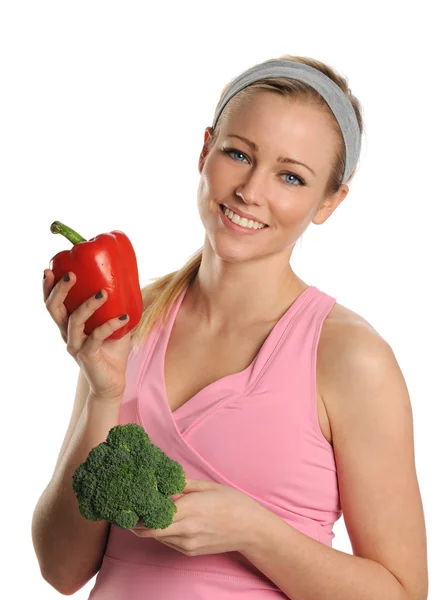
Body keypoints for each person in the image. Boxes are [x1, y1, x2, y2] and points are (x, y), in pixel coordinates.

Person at [32, 55, 428, 599]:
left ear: (329, 202)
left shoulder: (349, 357)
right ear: (205, 150)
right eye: (239, 154)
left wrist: (254, 531)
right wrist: (107, 393)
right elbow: (62, 570)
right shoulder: (131, 319)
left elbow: (403, 593)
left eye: (291, 176)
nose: (250, 191)